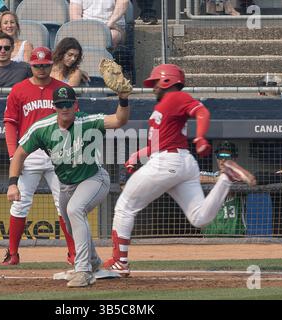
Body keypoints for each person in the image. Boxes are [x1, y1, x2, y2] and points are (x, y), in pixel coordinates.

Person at [103, 64, 256, 276]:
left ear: (167, 81)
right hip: (181, 162)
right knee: (200, 218)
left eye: (156, 82)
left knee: (124, 206)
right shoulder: (165, 105)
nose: (153, 87)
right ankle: (226, 178)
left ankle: (120, 262)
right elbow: (158, 143)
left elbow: (201, 111)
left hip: (167, 162)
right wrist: (135, 156)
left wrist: (201, 136)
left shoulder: (175, 97)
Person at [7, 85, 131, 287]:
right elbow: (20, 153)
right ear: (54, 107)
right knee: (69, 221)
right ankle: (94, 263)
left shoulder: (87, 121)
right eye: (59, 104)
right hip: (66, 184)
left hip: (94, 179)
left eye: (68, 104)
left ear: (75, 105)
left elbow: (119, 120)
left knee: (75, 210)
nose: (64, 108)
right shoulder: (42, 127)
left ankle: (82, 271)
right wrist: (13, 184)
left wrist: (123, 99)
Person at [2, 46, 76, 266]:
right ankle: (12, 253)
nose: (41, 69)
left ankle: (74, 253)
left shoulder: (62, 89)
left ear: (51, 65)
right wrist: (12, 154)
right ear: (31, 65)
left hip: (58, 154)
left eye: (45, 65)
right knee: (19, 203)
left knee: (64, 205)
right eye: (37, 65)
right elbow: (10, 123)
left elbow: (74, 120)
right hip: (28, 153)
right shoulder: (19, 90)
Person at [200, 141, 246, 236]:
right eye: (220, 156)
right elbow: (193, 177)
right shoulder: (212, 176)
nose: (223, 160)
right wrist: (215, 180)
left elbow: (249, 179)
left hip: (234, 234)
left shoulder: (240, 177)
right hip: (210, 234)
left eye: (227, 156)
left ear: (234, 159)